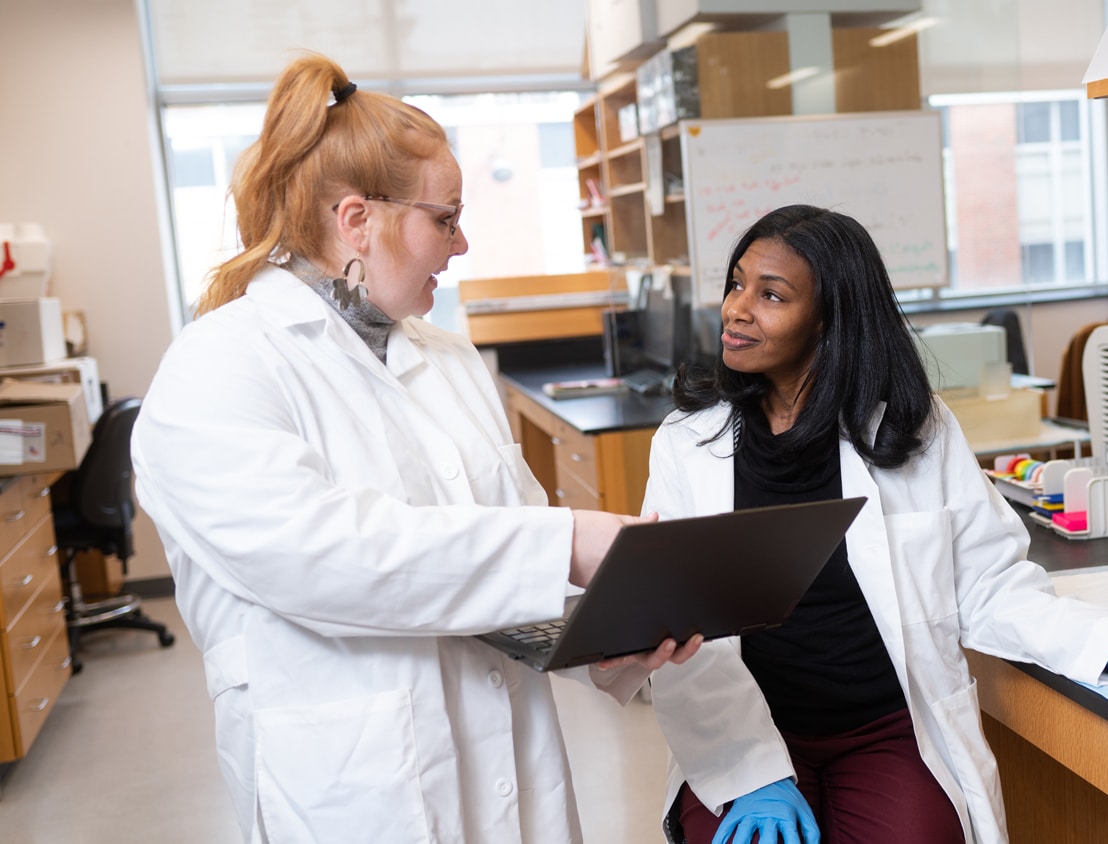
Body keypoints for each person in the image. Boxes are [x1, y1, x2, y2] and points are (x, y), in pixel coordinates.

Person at [130, 53, 699, 844]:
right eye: (446, 219)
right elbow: (324, 555)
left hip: (513, 776)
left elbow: (513, 568)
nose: (460, 245)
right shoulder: (218, 367)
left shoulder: (449, 358)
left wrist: (611, 632)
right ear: (357, 220)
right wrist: (569, 541)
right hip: (358, 789)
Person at [641, 205, 1108, 844]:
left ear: (831, 321)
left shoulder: (912, 431)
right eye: (736, 284)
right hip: (742, 726)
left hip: (887, 726)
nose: (736, 308)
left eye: (771, 294)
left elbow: (987, 583)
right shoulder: (688, 443)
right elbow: (673, 626)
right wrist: (750, 773)